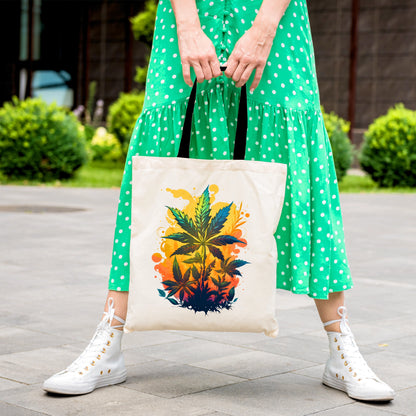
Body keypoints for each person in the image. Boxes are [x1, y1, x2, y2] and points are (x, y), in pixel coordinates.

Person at [43, 0, 395, 401]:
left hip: (276, 26)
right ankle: (109, 339)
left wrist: (264, 28)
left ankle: (341, 347)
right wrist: (187, 24)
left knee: (301, 179)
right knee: (154, 176)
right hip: (188, 17)